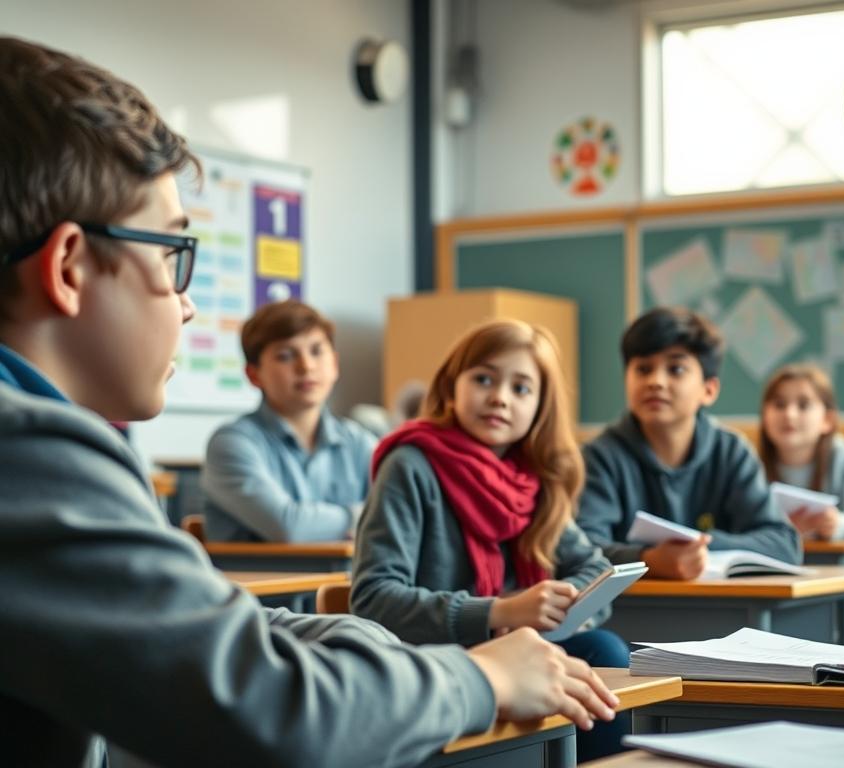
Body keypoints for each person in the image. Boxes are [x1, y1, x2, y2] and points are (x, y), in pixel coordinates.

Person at [0, 35, 614, 767]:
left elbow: (226, 639)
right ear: (69, 267)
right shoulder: (29, 451)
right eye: (172, 256)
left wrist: (377, 654)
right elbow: (279, 714)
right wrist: (479, 675)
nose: (187, 306)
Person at [353, 319, 630, 761]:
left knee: (603, 650)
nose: (499, 396)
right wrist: (500, 611)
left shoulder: (531, 479)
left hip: (514, 649)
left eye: (521, 388)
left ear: (541, 407)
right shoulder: (410, 465)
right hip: (433, 660)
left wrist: (548, 612)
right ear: (451, 386)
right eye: (483, 378)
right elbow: (372, 598)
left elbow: (594, 567)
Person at [577, 307, 799, 580]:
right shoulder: (600, 457)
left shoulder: (731, 452)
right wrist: (648, 559)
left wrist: (701, 546)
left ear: (709, 390)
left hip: (724, 610)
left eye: (676, 369)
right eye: (643, 369)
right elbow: (581, 548)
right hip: (631, 612)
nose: (656, 382)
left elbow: (784, 543)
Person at [202, 300, 376, 541]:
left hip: (346, 579)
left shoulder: (359, 441)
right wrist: (366, 517)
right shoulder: (231, 443)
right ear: (254, 375)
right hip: (256, 578)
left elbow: (400, 517)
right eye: (285, 356)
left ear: (334, 364)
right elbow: (289, 527)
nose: (306, 366)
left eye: (316, 351)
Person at [758, 363, 844, 643]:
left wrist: (836, 524)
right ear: (764, 415)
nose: (789, 414)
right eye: (778, 404)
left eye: (803, 405)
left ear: (827, 419)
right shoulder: (751, 465)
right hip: (778, 582)